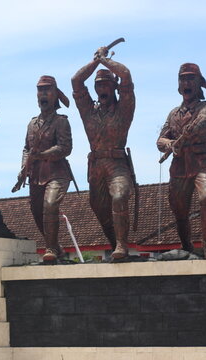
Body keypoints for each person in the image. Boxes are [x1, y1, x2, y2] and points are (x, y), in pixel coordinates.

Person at [71, 46, 136, 259]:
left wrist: (105, 61)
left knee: (119, 196)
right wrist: (95, 62)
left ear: (114, 87)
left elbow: (125, 75)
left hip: (117, 163)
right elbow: (76, 81)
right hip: (96, 166)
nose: (102, 89)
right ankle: (115, 244)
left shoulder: (123, 108)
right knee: (99, 209)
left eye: (106, 84)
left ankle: (121, 245)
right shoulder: (88, 110)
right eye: (98, 85)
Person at [157, 63, 206, 260]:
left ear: (198, 84)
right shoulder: (173, 114)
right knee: (178, 207)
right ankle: (187, 244)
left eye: (190, 79)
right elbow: (160, 140)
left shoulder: (205, 108)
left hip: (203, 162)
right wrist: (170, 144)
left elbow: (203, 124)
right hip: (179, 165)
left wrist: (187, 135)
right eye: (182, 79)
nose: (186, 83)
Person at [15, 75, 73, 263]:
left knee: (50, 205)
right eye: (40, 90)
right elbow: (26, 148)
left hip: (57, 173)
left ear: (55, 95)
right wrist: (24, 166)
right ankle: (56, 248)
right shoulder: (32, 123)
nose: (43, 94)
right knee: (36, 211)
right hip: (36, 174)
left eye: (47, 90)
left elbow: (65, 148)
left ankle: (51, 249)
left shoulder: (61, 121)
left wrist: (40, 155)